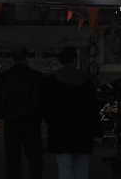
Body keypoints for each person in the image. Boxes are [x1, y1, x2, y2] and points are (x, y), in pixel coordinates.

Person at [42, 47, 98, 179]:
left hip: (60, 131)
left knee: (64, 169)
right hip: (83, 131)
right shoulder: (87, 80)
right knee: (82, 169)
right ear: (75, 59)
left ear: (61, 61)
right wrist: (95, 130)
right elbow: (93, 108)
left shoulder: (51, 80)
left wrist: (52, 123)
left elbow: (46, 108)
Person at [0, 48, 44, 179]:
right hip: (32, 123)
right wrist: (40, 116)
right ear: (26, 58)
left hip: (11, 123)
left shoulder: (4, 77)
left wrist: (4, 115)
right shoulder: (37, 77)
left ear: (13, 59)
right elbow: (43, 101)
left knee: (12, 158)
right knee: (35, 158)